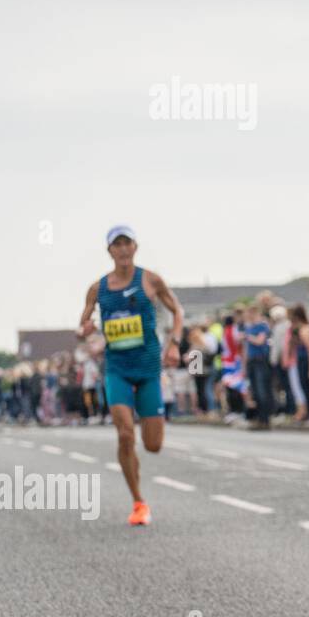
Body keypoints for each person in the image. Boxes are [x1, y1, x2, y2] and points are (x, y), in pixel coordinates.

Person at [76, 225, 183, 526]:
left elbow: (178, 312)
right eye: (116, 245)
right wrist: (85, 331)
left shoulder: (150, 280)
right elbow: (82, 325)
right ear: (109, 251)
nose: (123, 249)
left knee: (152, 445)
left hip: (149, 368)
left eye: (127, 244)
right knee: (125, 434)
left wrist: (174, 343)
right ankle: (138, 501)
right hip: (118, 369)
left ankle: (139, 454)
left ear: (135, 247)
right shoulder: (97, 289)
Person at [243, 300, 275, 430]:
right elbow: (246, 349)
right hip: (252, 360)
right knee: (255, 391)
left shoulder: (262, 326)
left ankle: (265, 419)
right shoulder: (249, 327)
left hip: (260, 361)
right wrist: (244, 365)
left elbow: (260, 341)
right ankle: (258, 419)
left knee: (262, 391)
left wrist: (248, 337)